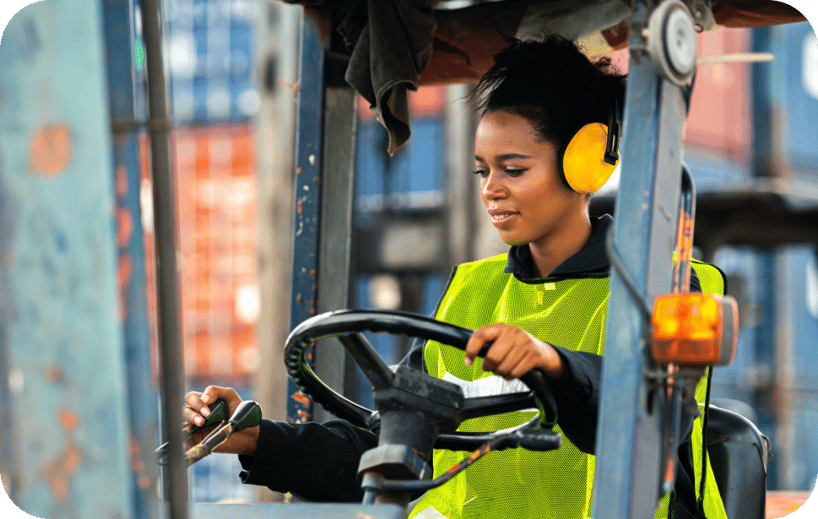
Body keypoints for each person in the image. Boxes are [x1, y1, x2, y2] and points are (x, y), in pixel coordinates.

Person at [182, 36, 723, 519]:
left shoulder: (660, 286)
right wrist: (256, 439)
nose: (491, 189)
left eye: (513, 169)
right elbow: (392, 452)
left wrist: (554, 363)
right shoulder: (473, 291)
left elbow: (653, 421)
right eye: (483, 171)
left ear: (585, 165)